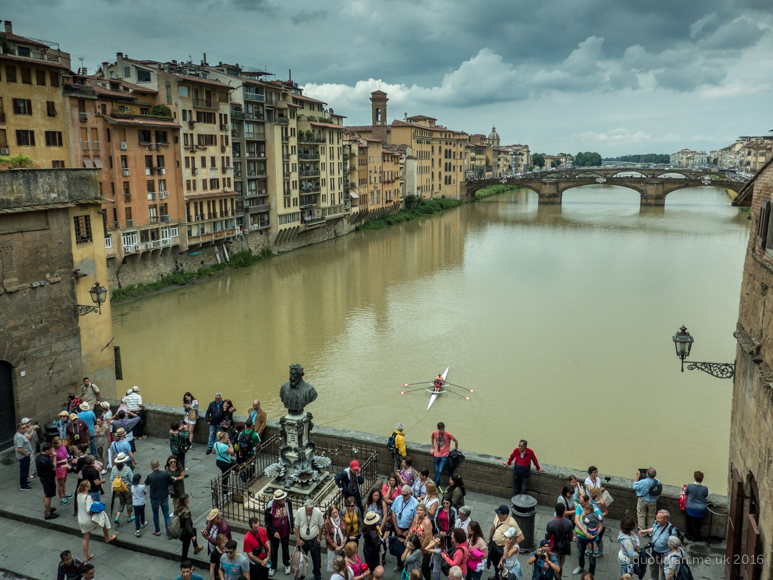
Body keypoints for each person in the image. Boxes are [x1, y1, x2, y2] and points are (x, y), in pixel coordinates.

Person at [76, 479, 116, 562]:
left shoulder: (79, 495)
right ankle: (107, 537)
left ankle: (86, 556)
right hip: (88, 520)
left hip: (81, 520)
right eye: (89, 485)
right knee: (104, 517)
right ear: (86, 487)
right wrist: (96, 507)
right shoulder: (88, 497)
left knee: (86, 538)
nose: (90, 485)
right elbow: (88, 510)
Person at [639, 510, 678, 580]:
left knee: (664, 572)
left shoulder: (671, 530)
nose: (657, 519)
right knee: (653, 569)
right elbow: (654, 529)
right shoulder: (657, 523)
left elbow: (674, 544)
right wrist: (646, 531)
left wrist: (670, 554)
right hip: (654, 552)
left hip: (665, 554)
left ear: (665, 520)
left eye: (659, 518)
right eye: (656, 517)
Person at [145, 458, 179, 537]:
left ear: (151, 467)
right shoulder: (165, 474)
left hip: (154, 498)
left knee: (155, 515)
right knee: (166, 515)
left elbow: (146, 483)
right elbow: (173, 481)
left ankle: (157, 530)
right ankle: (169, 533)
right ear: (159, 465)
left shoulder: (150, 476)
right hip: (164, 497)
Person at [264, 489, 293, 577]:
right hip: (275, 533)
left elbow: (290, 515)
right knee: (274, 550)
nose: (285, 499)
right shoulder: (270, 505)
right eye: (283, 499)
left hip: (285, 531)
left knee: (285, 548)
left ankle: (287, 564)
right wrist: (274, 532)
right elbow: (267, 522)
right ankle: (273, 566)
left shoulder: (287, 502)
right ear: (278, 500)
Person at [572, 494, 602, 577]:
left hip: (592, 537)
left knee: (592, 557)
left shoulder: (596, 510)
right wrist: (585, 532)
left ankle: (591, 573)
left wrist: (595, 535)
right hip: (581, 536)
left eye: (582, 503)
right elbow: (576, 520)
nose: (581, 505)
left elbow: (600, 526)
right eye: (580, 503)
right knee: (580, 553)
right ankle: (581, 566)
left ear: (587, 501)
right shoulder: (579, 507)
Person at [295, 499, 325, 580]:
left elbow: (321, 525)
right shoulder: (299, 511)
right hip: (302, 540)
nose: (308, 512)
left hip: (313, 539)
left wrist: (318, 538)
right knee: (301, 560)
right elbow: (297, 526)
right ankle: (301, 574)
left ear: (313, 508)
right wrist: (298, 539)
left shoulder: (318, 512)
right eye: (306, 510)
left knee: (316, 559)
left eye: (310, 510)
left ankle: (317, 573)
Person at [487, 505, 522, 570]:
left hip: (501, 547)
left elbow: (521, 537)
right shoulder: (497, 517)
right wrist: (489, 539)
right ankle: (496, 575)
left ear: (505, 515)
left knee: (501, 564)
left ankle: (500, 576)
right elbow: (493, 527)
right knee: (494, 560)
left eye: (500, 514)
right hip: (493, 543)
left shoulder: (512, 522)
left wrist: (509, 545)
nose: (497, 515)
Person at [545, 504, 573, 578]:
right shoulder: (569, 523)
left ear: (555, 511)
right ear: (564, 511)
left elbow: (547, 538)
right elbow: (570, 538)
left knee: (554, 569)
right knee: (560, 567)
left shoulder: (550, 524)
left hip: (553, 549)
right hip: (564, 549)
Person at [407, 503, 433, 579]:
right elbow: (411, 529)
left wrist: (421, 550)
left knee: (424, 568)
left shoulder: (427, 522)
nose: (419, 511)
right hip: (415, 546)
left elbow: (427, 538)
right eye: (417, 510)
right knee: (415, 566)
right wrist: (407, 539)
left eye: (421, 510)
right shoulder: (416, 517)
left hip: (425, 548)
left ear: (425, 511)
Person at [36, 442, 60, 520]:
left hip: (43, 477)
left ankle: (48, 508)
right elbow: (53, 467)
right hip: (48, 479)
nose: (52, 451)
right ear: (46, 450)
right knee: (48, 496)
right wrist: (54, 457)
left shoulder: (39, 456)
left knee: (46, 493)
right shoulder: (46, 460)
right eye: (51, 450)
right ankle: (47, 513)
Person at [177, 493, 204, 561]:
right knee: (185, 549)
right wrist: (192, 536)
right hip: (184, 533)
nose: (189, 500)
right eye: (188, 499)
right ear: (186, 501)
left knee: (194, 530)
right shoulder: (186, 512)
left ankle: (196, 547)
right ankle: (184, 564)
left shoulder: (177, 509)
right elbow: (188, 527)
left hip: (179, 530)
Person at [633, 468, 660, 532]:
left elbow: (634, 486)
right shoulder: (657, 482)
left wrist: (638, 476)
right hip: (653, 501)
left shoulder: (643, 482)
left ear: (647, 474)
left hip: (643, 500)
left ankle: (642, 531)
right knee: (651, 516)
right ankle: (650, 532)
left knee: (641, 515)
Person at [110, 452, 134, 525]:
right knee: (129, 502)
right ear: (123, 461)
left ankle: (117, 517)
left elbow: (111, 478)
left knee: (121, 502)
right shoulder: (127, 469)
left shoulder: (114, 469)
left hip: (118, 488)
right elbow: (132, 479)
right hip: (126, 487)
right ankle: (129, 517)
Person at [684, 471, 709, 541]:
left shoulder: (689, 486)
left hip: (690, 508)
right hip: (701, 509)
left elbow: (686, 493)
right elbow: (705, 495)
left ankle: (689, 535)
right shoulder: (705, 488)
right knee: (697, 524)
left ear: (694, 477)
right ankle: (695, 537)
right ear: (702, 479)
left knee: (689, 522)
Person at [362, 511, 385, 578]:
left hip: (366, 549)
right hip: (372, 552)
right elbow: (377, 544)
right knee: (373, 569)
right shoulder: (373, 532)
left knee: (369, 567)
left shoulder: (365, 528)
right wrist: (383, 539)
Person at [325, 504, 348, 571]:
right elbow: (327, 535)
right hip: (332, 548)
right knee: (335, 566)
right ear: (330, 514)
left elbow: (346, 533)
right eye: (333, 513)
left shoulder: (342, 519)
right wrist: (335, 546)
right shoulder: (327, 522)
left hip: (342, 546)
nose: (335, 514)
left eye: (336, 512)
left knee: (343, 565)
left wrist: (343, 544)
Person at [52, 437, 72, 505]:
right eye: (58, 444)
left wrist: (67, 456)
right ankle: (61, 498)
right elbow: (53, 462)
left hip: (65, 465)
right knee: (60, 483)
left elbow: (65, 453)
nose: (60, 445)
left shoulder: (63, 445)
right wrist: (61, 461)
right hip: (59, 468)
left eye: (60, 443)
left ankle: (64, 493)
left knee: (64, 481)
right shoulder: (53, 451)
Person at [131, 472, 148, 537]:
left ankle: (137, 530)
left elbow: (132, 493)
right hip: (142, 502)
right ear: (139, 480)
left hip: (135, 503)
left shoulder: (132, 487)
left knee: (136, 515)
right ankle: (143, 523)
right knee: (142, 513)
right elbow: (145, 493)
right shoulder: (142, 486)